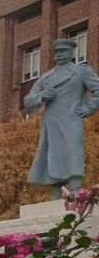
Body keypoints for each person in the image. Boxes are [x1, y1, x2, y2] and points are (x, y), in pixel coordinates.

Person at [25, 37, 99, 198]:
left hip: (72, 120)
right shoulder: (46, 77)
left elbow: (97, 90)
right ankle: (56, 194)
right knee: (53, 155)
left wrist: (88, 108)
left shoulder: (81, 71)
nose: (59, 54)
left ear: (72, 52)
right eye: (57, 52)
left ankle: (75, 189)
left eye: (63, 51)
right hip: (51, 122)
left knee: (73, 151)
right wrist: (43, 95)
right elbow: (28, 100)